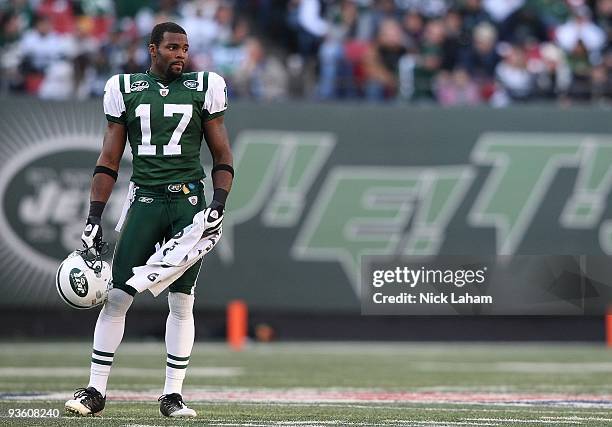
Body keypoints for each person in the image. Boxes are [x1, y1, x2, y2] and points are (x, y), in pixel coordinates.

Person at [64, 21, 233, 418]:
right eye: (173, 47)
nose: (181, 55)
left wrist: (219, 201)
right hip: (144, 199)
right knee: (118, 295)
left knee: (182, 300)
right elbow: (108, 161)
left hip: (189, 205)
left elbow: (222, 154)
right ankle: (94, 390)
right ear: (152, 49)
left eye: (185, 48)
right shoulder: (125, 89)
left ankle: (172, 395)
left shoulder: (203, 87)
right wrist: (93, 218)